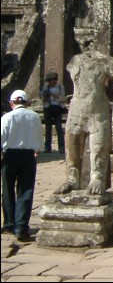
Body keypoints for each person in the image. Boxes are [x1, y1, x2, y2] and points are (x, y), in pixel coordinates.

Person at [56, 41, 113, 195]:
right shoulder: (75, 60)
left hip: (97, 110)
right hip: (76, 109)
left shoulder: (106, 62)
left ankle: (97, 177)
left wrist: (104, 58)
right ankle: (72, 178)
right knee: (71, 147)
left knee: (99, 147)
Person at [1, 90, 44, 242]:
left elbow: (1, 137)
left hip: (10, 155)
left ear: (11, 102)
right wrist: (38, 148)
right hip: (28, 156)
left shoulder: (7, 117)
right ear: (25, 102)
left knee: (7, 189)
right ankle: (21, 227)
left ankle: (9, 224)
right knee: (25, 190)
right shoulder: (34, 116)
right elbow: (39, 136)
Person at [41, 71, 66, 153]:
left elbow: (63, 99)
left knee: (59, 128)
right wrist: (46, 96)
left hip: (57, 108)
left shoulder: (60, 87)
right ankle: (47, 147)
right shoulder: (46, 87)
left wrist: (56, 97)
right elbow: (43, 98)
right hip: (48, 108)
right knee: (48, 129)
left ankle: (61, 147)